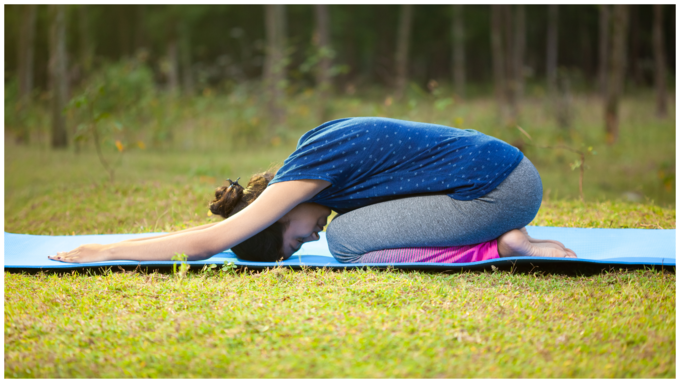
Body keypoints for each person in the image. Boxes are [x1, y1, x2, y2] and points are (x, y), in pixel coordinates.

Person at [49, 117, 576, 264]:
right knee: (347, 232)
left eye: (294, 241)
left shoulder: (308, 171)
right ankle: (505, 236)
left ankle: (508, 245)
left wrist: (107, 248)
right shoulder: (311, 157)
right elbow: (217, 232)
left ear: (276, 213)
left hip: (500, 190)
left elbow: (212, 243)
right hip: (503, 176)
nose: (310, 238)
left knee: (348, 241)